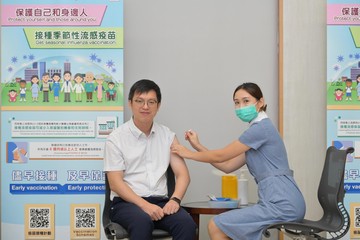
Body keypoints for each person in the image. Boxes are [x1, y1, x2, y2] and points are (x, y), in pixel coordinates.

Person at [171, 82, 306, 240]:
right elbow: (227, 166)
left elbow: (221, 156)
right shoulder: (258, 132)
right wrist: (198, 146)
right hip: (280, 201)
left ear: (260, 102)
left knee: (216, 225)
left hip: (283, 203)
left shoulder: (260, 129)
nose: (241, 106)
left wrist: (188, 153)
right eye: (237, 102)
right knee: (221, 226)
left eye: (246, 101)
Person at [104, 79, 197, 240]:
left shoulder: (168, 136)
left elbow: (183, 175)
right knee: (142, 221)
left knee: (187, 224)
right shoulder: (116, 138)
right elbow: (115, 183)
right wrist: (144, 205)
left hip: (161, 202)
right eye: (139, 101)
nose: (145, 107)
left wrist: (175, 200)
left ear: (158, 106)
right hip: (127, 204)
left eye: (151, 102)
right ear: (130, 103)